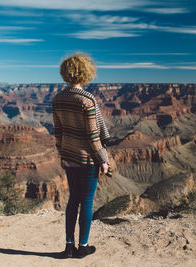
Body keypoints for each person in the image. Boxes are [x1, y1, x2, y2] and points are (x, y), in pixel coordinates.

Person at [52, 52, 111, 259]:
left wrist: (62, 152)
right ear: (86, 73)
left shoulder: (58, 99)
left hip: (68, 156)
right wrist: (103, 160)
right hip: (86, 159)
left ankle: (69, 246)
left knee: (73, 200)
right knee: (86, 201)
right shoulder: (87, 100)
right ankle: (83, 246)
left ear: (66, 73)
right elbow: (94, 136)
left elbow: (58, 131)